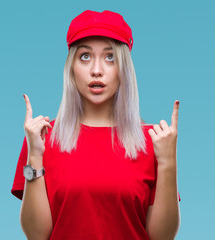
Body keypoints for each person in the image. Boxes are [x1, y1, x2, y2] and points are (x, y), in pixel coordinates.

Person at [10, 10, 181, 240]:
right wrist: (35, 158)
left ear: (124, 70)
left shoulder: (154, 141)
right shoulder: (43, 137)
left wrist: (168, 162)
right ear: (71, 68)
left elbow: (162, 237)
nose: (97, 70)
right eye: (85, 57)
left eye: (110, 57)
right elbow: (36, 234)